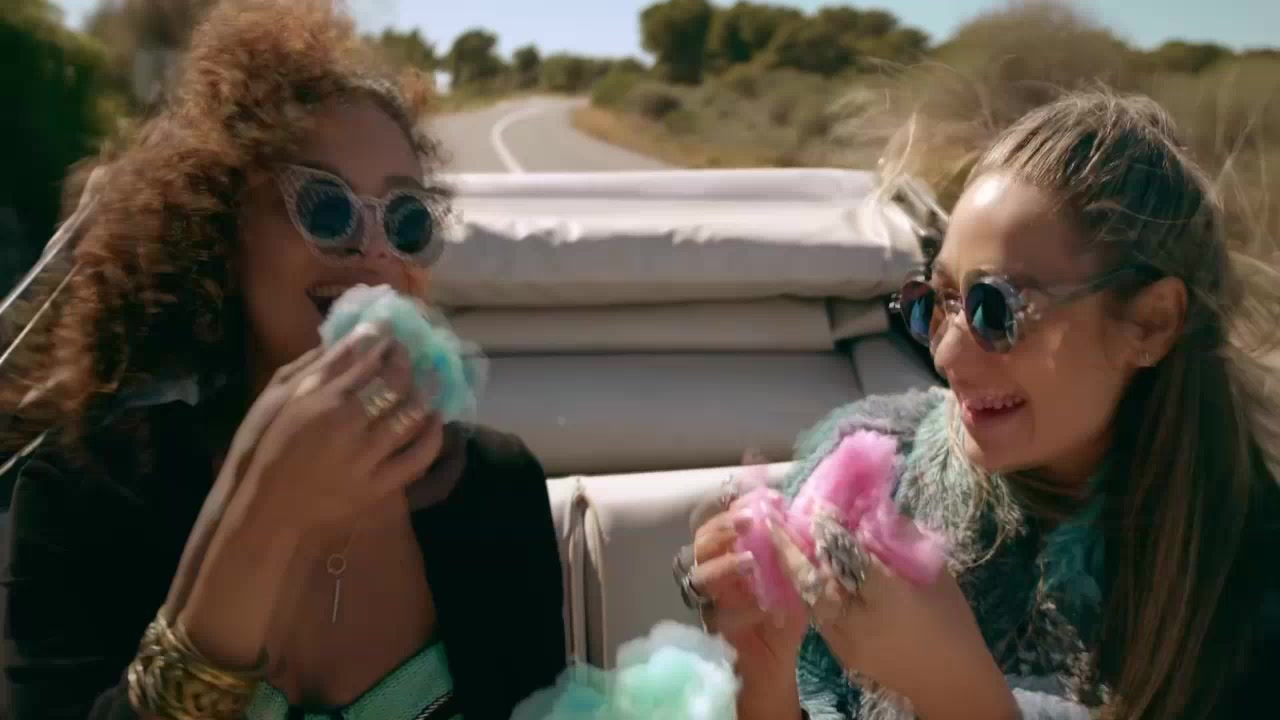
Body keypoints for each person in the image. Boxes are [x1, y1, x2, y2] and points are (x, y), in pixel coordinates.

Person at [0, 2, 566, 719]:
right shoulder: (83, 495)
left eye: (407, 218)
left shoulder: (498, 491)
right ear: (223, 231)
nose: (375, 249)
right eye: (326, 208)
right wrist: (266, 515)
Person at [683, 91, 1280, 719]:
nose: (947, 357)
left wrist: (956, 692)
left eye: (997, 308)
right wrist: (763, 674)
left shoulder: (1254, 587)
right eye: (937, 301)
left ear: (1150, 323)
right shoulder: (888, 467)